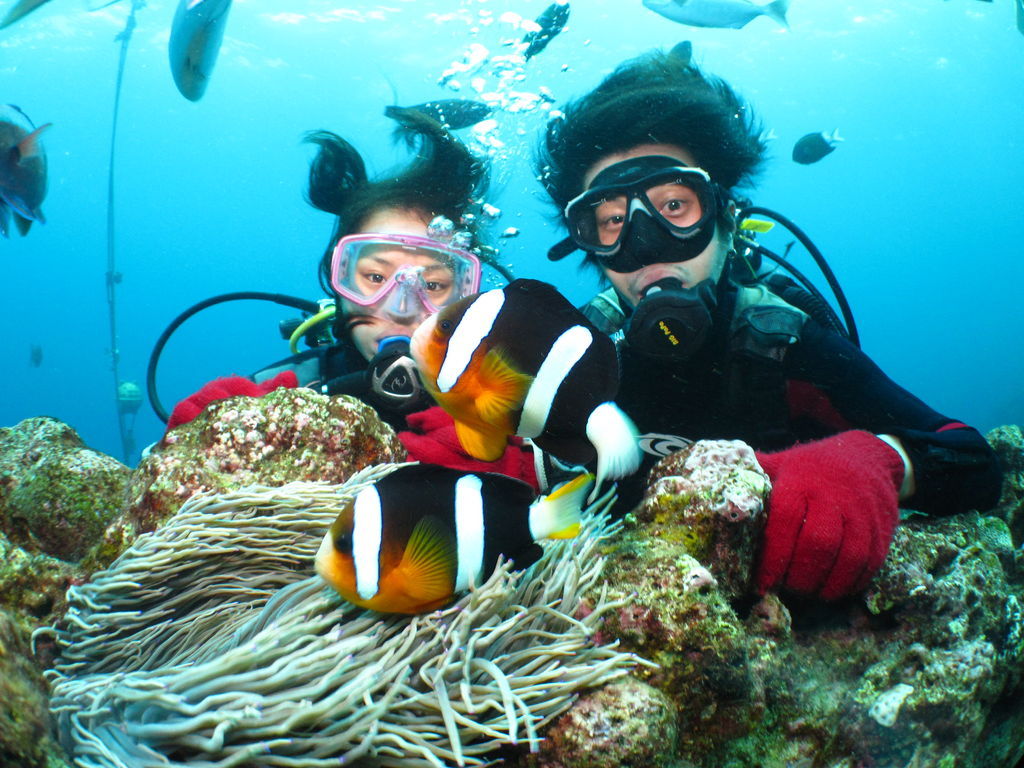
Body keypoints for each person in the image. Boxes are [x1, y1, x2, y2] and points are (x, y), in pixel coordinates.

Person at [534, 50, 1003, 601]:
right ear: (588, 241)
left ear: (725, 215)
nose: (646, 244)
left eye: (675, 205)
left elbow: (972, 459)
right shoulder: (577, 360)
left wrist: (880, 462)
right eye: (613, 220)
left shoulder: (784, 341)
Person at [164, 110, 538, 485]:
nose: (401, 308)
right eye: (376, 277)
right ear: (337, 277)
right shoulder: (293, 386)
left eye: (433, 286)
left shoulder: (519, 405)